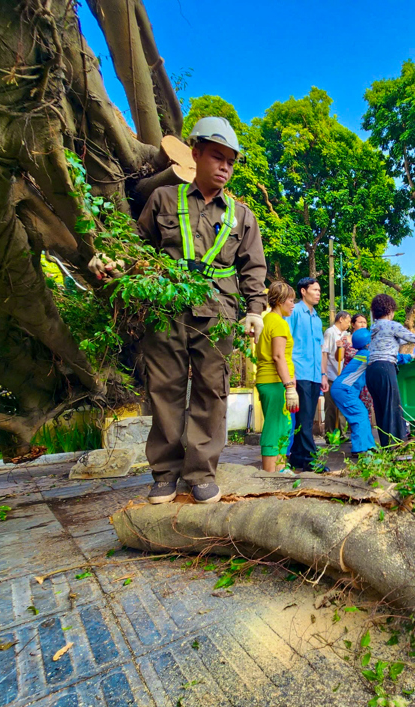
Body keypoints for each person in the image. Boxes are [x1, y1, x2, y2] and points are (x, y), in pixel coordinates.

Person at [125, 116, 267, 505]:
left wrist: (255, 309)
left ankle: (201, 472)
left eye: (231, 162)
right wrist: (115, 262)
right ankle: (165, 474)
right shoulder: (164, 200)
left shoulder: (242, 216)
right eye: (217, 157)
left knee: (211, 391)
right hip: (166, 309)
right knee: (164, 389)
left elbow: (253, 267)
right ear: (196, 154)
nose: (224, 167)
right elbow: (138, 247)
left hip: (218, 313)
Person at [365, 294, 415, 446]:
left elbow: (400, 338)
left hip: (371, 370)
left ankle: (387, 446)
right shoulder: (391, 325)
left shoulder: (374, 327)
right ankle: (397, 447)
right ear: (390, 309)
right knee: (393, 408)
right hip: (385, 368)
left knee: (381, 410)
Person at [255, 282, 300, 471]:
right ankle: (269, 476)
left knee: (283, 427)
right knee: (274, 427)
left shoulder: (266, 320)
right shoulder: (279, 323)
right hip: (275, 382)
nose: (293, 304)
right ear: (280, 301)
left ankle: (280, 471)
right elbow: (278, 356)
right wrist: (289, 386)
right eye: (290, 300)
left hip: (271, 382)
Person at [287, 277, 328, 472]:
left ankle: (297, 458)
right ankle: (312, 460)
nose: (318, 293)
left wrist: (323, 374)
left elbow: (320, 348)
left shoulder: (317, 318)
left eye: (319, 290)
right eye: (315, 289)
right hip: (299, 371)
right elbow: (286, 342)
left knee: (308, 417)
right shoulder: (294, 312)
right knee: (303, 418)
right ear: (303, 291)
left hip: (313, 374)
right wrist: (290, 373)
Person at [330, 329, 377, 457]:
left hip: (343, 389)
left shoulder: (362, 354)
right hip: (344, 390)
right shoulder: (367, 355)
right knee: (359, 415)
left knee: (362, 413)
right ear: (368, 343)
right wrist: (409, 357)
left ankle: (369, 445)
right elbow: (386, 359)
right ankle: (359, 449)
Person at [323, 310, 351, 438]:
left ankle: (342, 434)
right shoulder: (330, 333)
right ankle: (329, 434)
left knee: (341, 407)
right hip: (331, 374)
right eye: (348, 321)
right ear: (341, 319)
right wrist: (324, 374)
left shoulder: (345, 334)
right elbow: (325, 353)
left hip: (342, 376)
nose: (349, 324)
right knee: (331, 407)